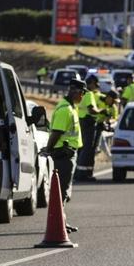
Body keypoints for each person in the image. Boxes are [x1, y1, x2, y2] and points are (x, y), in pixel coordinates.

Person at [45, 80, 87, 230]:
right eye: (82, 93)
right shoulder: (66, 110)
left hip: (67, 154)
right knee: (61, 191)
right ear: (76, 92)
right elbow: (57, 132)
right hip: (63, 155)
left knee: (63, 191)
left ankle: (61, 221)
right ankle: (58, 223)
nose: (83, 97)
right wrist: (49, 149)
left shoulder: (70, 107)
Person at [74, 74, 102, 182]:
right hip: (88, 122)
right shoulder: (89, 94)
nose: (95, 87)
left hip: (79, 121)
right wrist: (100, 111)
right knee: (87, 149)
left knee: (81, 148)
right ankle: (83, 174)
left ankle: (78, 173)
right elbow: (91, 110)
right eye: (95, 85)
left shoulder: (80, 94)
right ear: (90, 84)